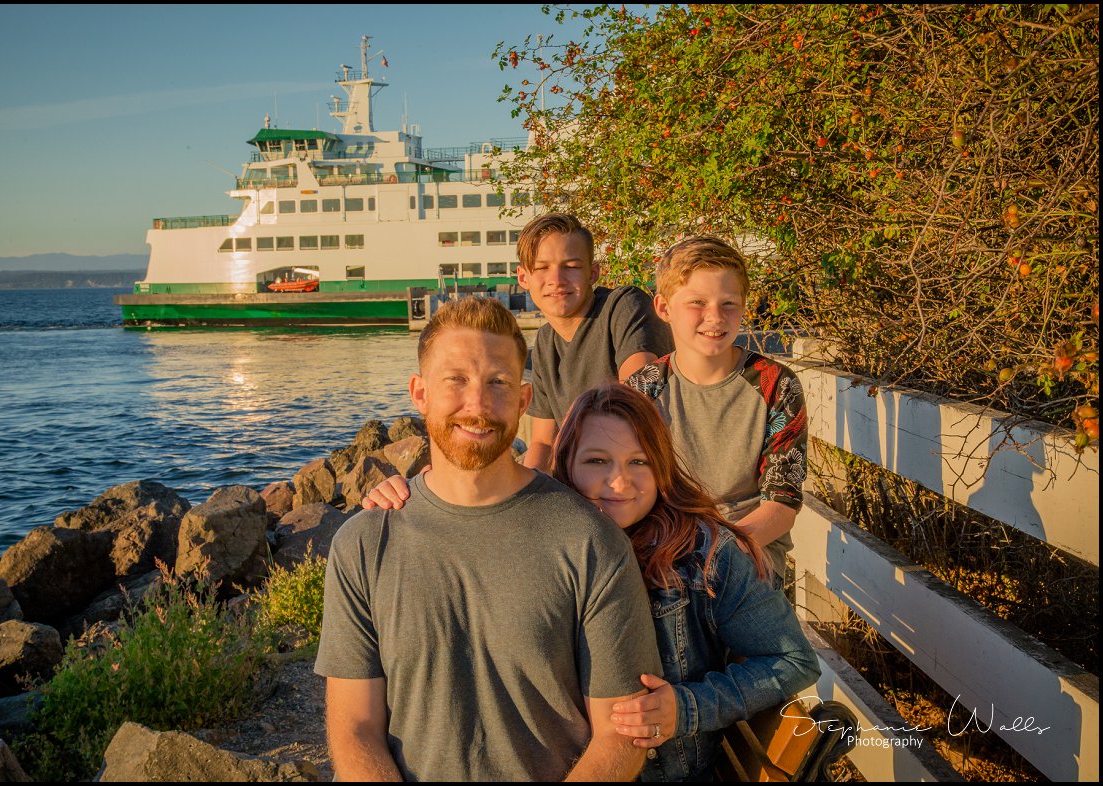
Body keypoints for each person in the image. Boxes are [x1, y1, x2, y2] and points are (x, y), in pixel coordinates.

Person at [363, 383, 820, 781]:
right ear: (566, 464)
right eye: (597, 460)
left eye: (639, 461)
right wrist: (410, 496)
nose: (619, 481)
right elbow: (467, 512)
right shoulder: (541, 532)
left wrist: (688, 707)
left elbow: (793, 658)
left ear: (661, 467)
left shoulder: (704, 553)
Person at [316, 296, 660, 781]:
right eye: (455, 380)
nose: (477, 405)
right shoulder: (364, 543)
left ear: (523, 400)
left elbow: (621, 734)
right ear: (420, 393)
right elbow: (355, 728)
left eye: (497, 382)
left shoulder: (590, 540)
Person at [625, 236, 807, 574]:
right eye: (697, 302)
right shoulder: (641, 391)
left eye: (729, 304)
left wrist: (714, 556)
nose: (715, 317)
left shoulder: (775, 384)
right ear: (664, 308)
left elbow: (781, 503)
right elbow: (628, 489)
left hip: (751, 552)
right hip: (666, 552)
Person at [516, 213, 673, 471]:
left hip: (638, 474)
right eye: (542, 267)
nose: (557, 279)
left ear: (593, 273)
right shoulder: (545, 342)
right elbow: (543, 442)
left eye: (572, 266)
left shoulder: (624, 306)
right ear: (524, 278)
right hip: (584, 480)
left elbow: (637, 397)